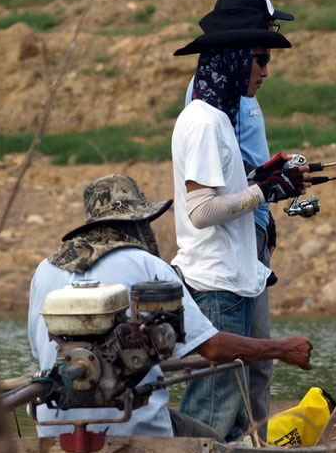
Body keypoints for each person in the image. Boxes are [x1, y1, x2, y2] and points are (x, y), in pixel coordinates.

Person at [27, 174, 313, 439]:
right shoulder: (147, 265)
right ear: (137, 222)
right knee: (214, 446)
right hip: (133, 426)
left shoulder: (44, 270)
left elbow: (42, 350)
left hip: (53, 428)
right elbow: (213, 348)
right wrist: (283, 349)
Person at [171, 20, 310, 442]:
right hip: (214, 284)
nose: (265, 71)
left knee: (233, 416)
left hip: (234, 279)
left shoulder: (220, 119)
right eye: (259, 59)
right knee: (212, 411)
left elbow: (226, 190)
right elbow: (201, 211)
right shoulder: (204, 123)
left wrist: (265, 179)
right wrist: (262, 192)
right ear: (232, 60)